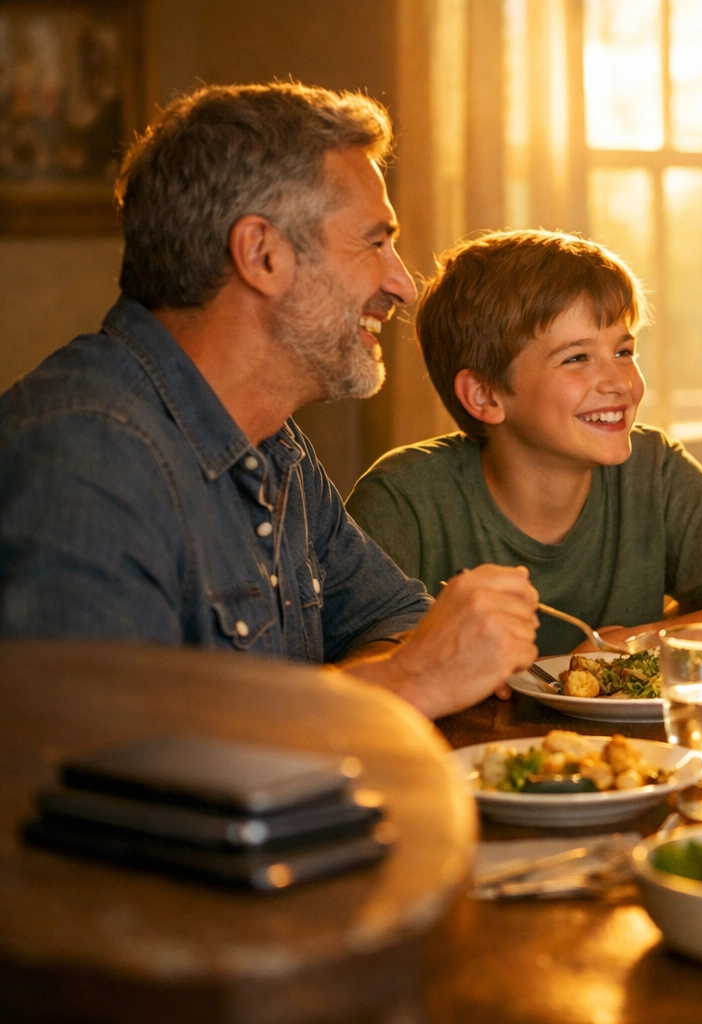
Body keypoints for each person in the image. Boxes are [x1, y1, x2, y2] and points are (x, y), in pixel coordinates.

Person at [0, 82, 541, 720]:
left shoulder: (273, 444)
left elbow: (394, 618)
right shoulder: (85, 454)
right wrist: (406, 681)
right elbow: (109, 764)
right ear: (262, 254)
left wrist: (369, 686)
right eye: (375, 241)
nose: (402, 285)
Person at [345, 230, 702, 664]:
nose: (620, 382)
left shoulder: (653, 471)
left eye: (623, 351)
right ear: (485, 396)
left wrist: (627, 647)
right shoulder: (403, 502)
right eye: (577, 358)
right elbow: (362, 688)